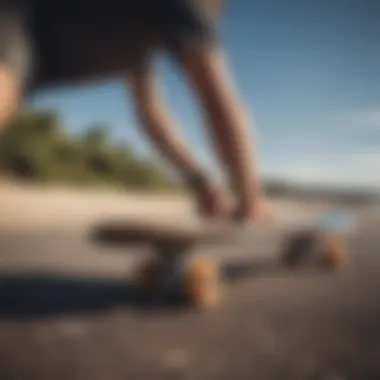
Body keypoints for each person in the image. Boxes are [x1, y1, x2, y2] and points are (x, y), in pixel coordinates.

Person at [0, 0, 271, 222]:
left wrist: (201, 183)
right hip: (19, 19)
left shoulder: (142, 47)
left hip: (36, 42)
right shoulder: (192, 6)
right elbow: (218, 99)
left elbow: (153, 116)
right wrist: (250, 199)